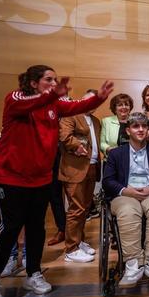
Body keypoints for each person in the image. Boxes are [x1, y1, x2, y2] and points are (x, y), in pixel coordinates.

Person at [0, 65, 113, 297]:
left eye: (54, 80)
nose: (53, 83)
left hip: (39, 179)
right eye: (48, 80)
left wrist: (100, 97)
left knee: (36, 228)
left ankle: (33, 274)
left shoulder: (54, 106)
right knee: (9, 228)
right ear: (33, 83)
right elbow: (29, 104)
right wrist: (53, 94)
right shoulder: (16, 98)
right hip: (9, 178)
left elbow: (77, 107)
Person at [102, 112, 149, 288]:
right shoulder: (116, 154)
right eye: (136, 126)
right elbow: (107, 181)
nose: (141, 129)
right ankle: (133, 264)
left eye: (144, 126)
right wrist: (126, 190)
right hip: (125, 195)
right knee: (128, 211)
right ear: (128, 131)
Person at [58, 96, 102, 263]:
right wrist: (77, 146)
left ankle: (79, 241)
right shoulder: (71, 115)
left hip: (92, 168)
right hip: (74, 169)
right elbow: (64, 136)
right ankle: (71, 249)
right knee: (75, 209)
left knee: (85, 209)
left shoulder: (96, 121)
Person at [100, 93, 134, 158]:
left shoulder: (135, 121)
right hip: (112, 159)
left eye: (126, 105)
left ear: (130, 107)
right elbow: (102, 143)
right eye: (120, 105)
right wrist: (109, 149)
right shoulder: (106, 121)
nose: (124, 107)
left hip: (132, 159)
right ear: (115, 108)